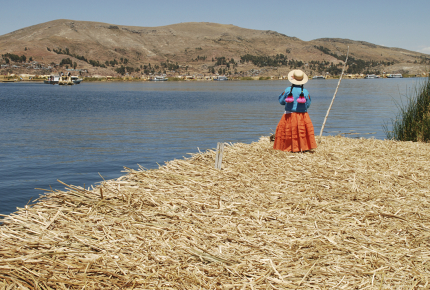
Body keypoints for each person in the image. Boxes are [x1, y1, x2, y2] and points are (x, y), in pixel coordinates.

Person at [273, 70, 317, 152]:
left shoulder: (287, 90)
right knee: (301, 131)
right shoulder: (305, 91)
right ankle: (302, 147)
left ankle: (288, 147)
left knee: (288, 131)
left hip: (289, 115)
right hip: (303, 115)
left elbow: (281, 101)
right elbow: (308, 105)